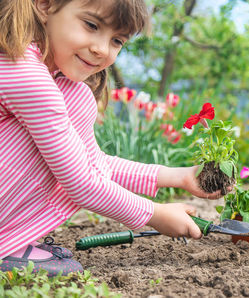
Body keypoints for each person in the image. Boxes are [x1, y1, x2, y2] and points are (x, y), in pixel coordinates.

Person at [0, 0, 226, 276]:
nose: (101, 49)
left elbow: (91, 162)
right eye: (91, 25)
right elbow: (81, 181)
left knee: (75, 95)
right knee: (74, 98)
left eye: (117, 41)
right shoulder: (24, 75)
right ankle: (6, 243)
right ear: (45, 5)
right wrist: (154, 214)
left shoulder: (44, 76)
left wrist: (178, 177)